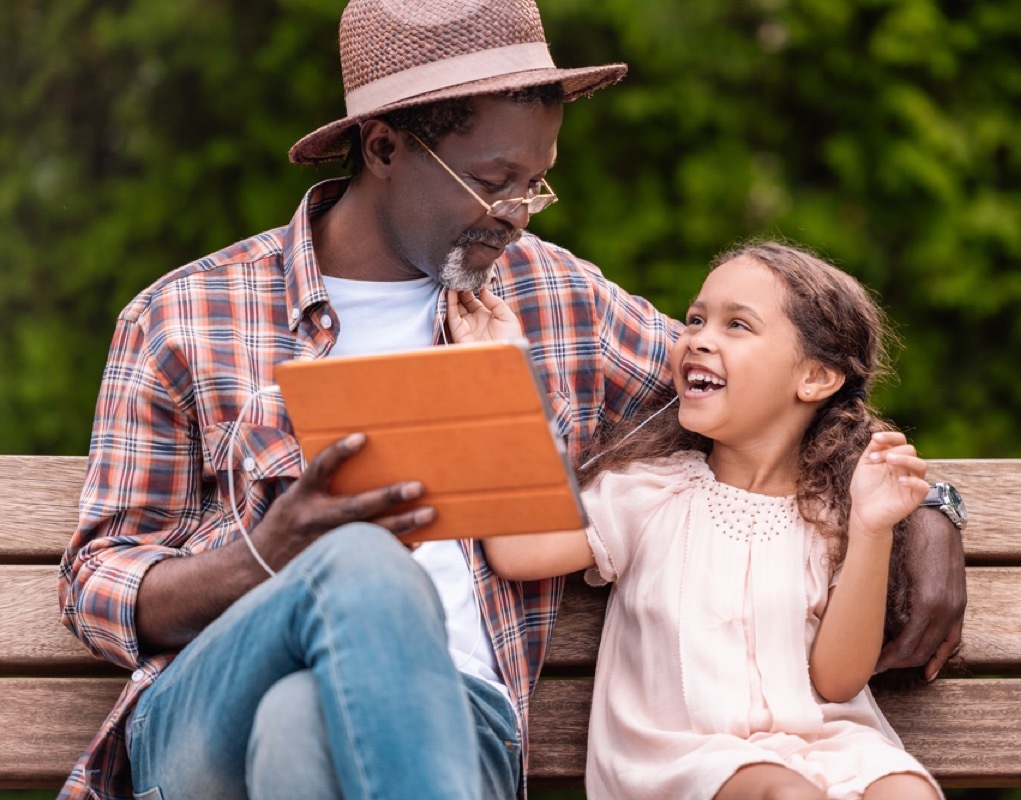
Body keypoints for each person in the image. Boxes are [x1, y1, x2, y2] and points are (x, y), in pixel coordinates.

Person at [57, 1, 965, 798]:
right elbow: (99, 581)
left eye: (536, 181)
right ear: (384, 147)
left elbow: (785, 399)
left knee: (305, 729)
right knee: (368, 569)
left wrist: (928, 516)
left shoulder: (555, 299)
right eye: (493, 182)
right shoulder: (187, 315)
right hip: (207, 719)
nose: (520, 213)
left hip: (460, 727)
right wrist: (269, 554)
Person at [477, 241, 943, 800]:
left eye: (736, 325)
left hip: (821, 745)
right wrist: (501, 375)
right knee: (785, 794)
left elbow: (839, 681)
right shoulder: (649, 492)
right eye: (696, 318)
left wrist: (872, 529)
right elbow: (518, 552)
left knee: (905, 790)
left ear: (816, 379)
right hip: (682, 759)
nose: (696, 337)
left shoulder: (832, 515)